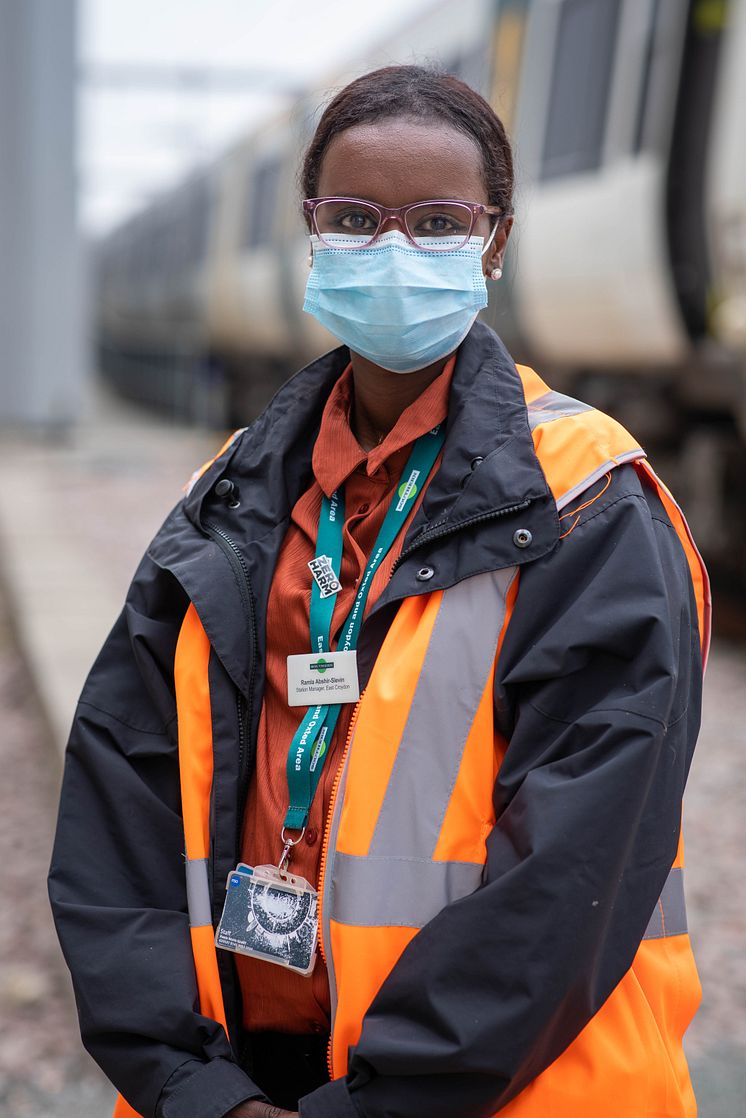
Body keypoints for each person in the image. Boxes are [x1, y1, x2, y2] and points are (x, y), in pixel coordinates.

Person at [49, 65, 709, 1118]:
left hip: (498, 1092)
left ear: (493, 240)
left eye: (436, 221)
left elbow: (574, 862)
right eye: (354, 218)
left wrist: (384, 1098)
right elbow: (118, 805)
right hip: (237, 1073)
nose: (392, 250)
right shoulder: (227, 495)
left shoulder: (588, 502)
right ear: (311, 229)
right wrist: (192, 1083)